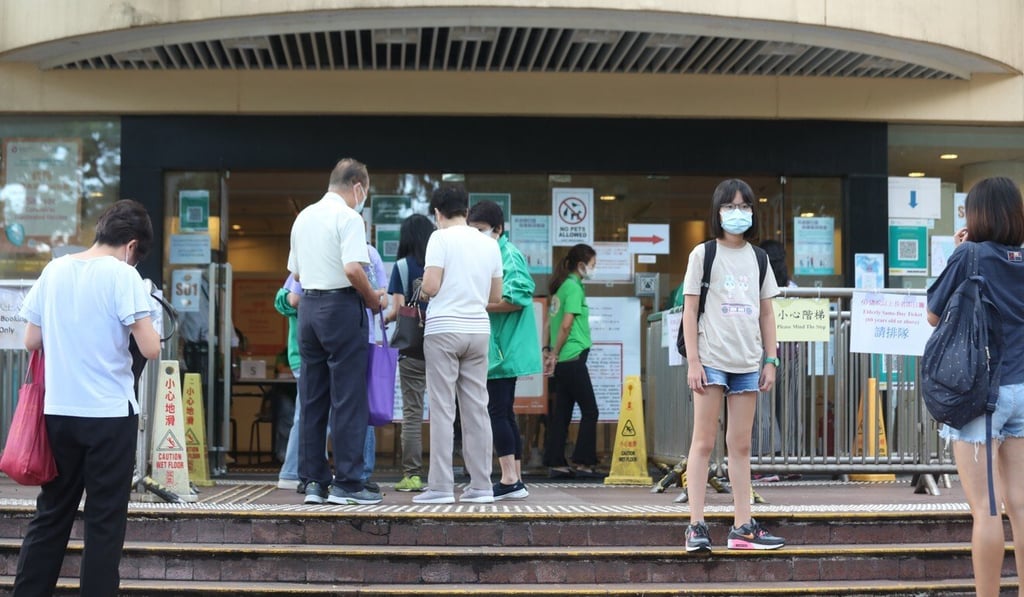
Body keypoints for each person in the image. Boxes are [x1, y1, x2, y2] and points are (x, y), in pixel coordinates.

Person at [14, 199, 161, 596]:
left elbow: (31, 339)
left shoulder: (55, 268)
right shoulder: (123, 276)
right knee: (104, 522)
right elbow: (150, 348)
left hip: (58, 412)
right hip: (109, 416)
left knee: (52, 515)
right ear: (132, 247)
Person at [926, 176, 1024, 597]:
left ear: (977, 215)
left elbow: (934, 314)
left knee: (986, 511)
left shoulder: (969, 255)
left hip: (981, 398)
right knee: (1020, 506)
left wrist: (957, 252)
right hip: (1022, 390)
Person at [681, 178, 784, 553]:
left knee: (740, 446)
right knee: (704, 442)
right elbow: (689, 310)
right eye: (729, 206)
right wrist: (693, 361)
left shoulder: (759, 258)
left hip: (746, 362)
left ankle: (743, 527)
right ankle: (696, 525)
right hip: (711, 360)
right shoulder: (703, 254)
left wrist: (770, 360)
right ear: (717, 211)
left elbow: (768, 313)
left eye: (744, 207)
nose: (737, 213)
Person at [287, 158, 384, 506]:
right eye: (366, 190)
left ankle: (314, 481)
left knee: (313, 398)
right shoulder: (349, 217)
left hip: (309, 310)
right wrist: (373, 299)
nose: (364, 197)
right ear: (357, 186)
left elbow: (295, 276)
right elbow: (352, 268)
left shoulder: (304, 217)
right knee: (347, 398)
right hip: (342, 309)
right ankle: (348, 482)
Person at [412, 186, 503, 505]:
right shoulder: (489, 243)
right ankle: (481, 486)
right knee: (477, 408)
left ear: (437, 213)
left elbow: (432, 286)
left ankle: (440, 487)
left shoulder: (439, 238)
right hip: (478, 330)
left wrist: (422, 288)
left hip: (443, 330)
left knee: (442, 408)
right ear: (465, 210)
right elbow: (495, 296)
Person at [467, 200, 541, 500]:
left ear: (498, 229)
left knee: (497, 412)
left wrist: (476, 303)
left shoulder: (506, 254)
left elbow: (519, 297)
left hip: (502, 350)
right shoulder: (496, 253)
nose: (477, 236)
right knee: (504, 412)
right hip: (502, 348)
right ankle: (516, 479)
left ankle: (510, 478)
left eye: (482, 230)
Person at [542, 243, 602, 479]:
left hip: (563, 360)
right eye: (592, 265)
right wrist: (555, 353)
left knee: (562, 413)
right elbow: (566, 325)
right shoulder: (574, 289)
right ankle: (583, 462)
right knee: (590, 410)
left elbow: (549, 323)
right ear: (581, 265)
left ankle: (555, 461)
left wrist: (548, 351)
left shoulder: (561, 289)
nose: (593, 269)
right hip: (573, 355)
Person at [386, 214, 435, 492]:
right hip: (442, 341)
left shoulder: (402, 267)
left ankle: (413, 475)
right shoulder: (440, 264)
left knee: (413, 411)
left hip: (412, 346)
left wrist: (383, 320)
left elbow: (396, 310)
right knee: (445, 410)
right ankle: (444, 473)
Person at [274, 273, 303, 491]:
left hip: (300, 353)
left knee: (311, 414)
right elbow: (291, 300)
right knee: (309, 415)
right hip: (307, 354)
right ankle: (292, 470)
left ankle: (299, 470)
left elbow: (286, 301)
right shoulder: (305, 266)